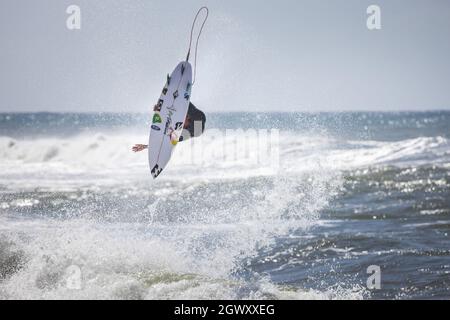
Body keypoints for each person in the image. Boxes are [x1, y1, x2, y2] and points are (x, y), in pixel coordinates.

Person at [132, 102, 206, 152]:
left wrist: (160, 109)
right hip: (194, 120)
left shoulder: (190, 131)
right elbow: (164, 142)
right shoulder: (184, 128)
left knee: (173, 133)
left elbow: (165, 142)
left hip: (197, 124)